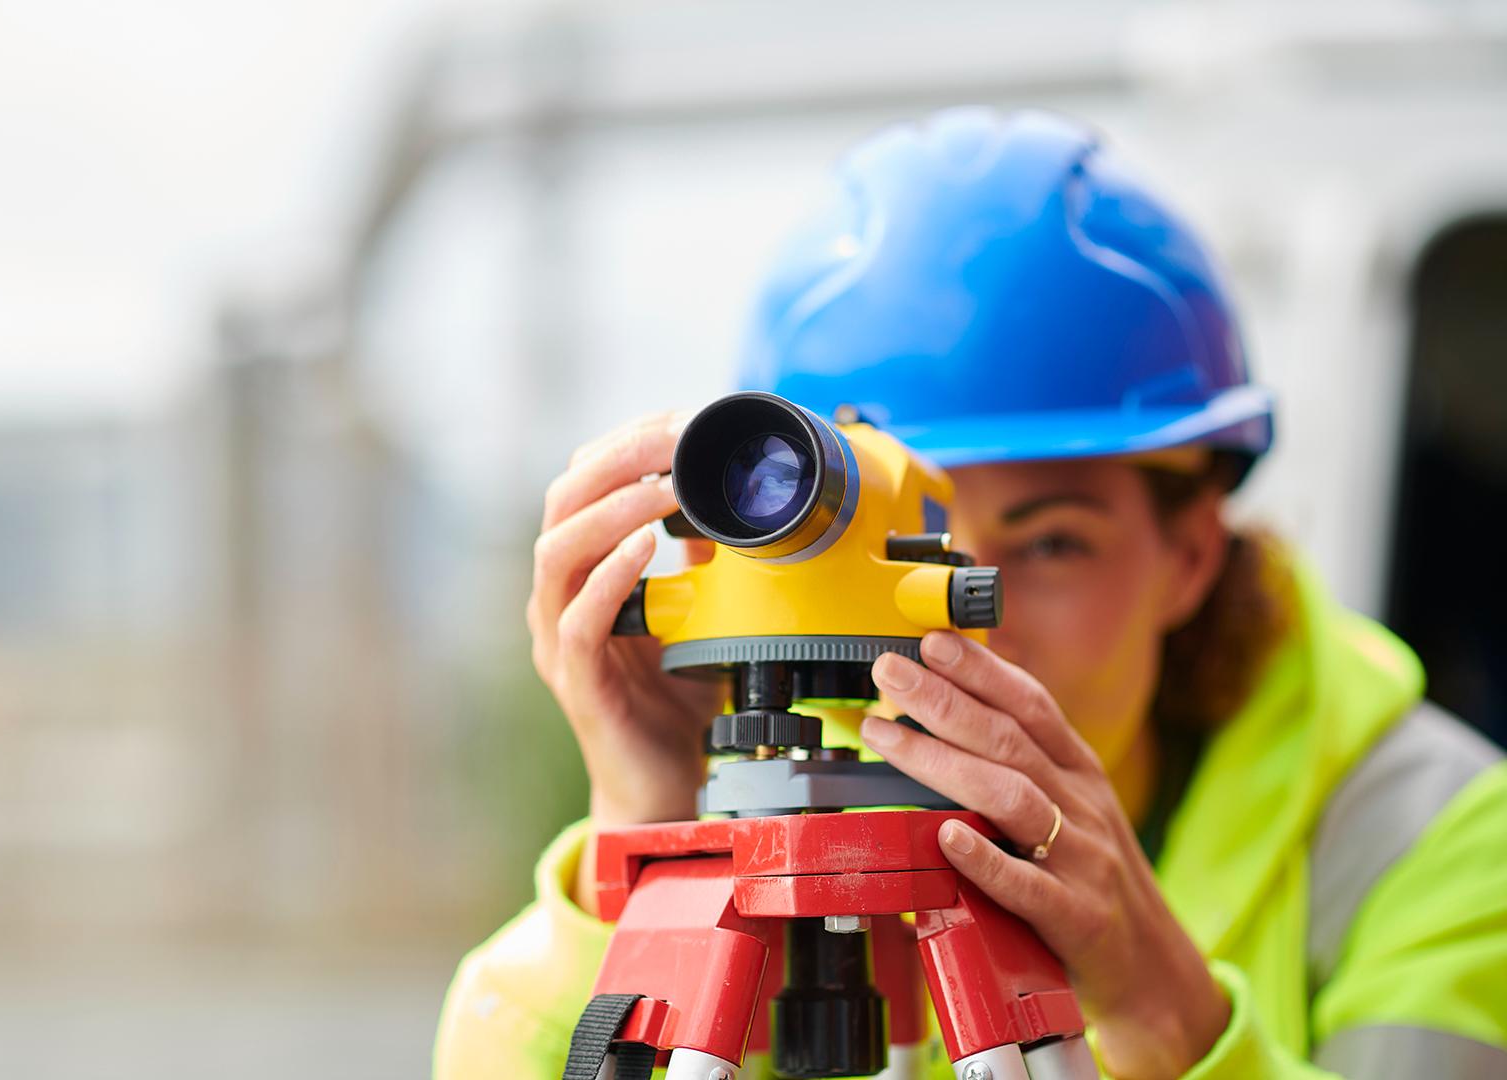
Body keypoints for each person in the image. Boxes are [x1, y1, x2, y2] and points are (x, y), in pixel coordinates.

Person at [432, 107, 1507, 1079]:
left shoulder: (1438, 841)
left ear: (1189, 554)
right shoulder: (784, 829)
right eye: (901, 546)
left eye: (1050, 544)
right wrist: (648, 841)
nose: (958, 616)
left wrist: (1166, 1015)